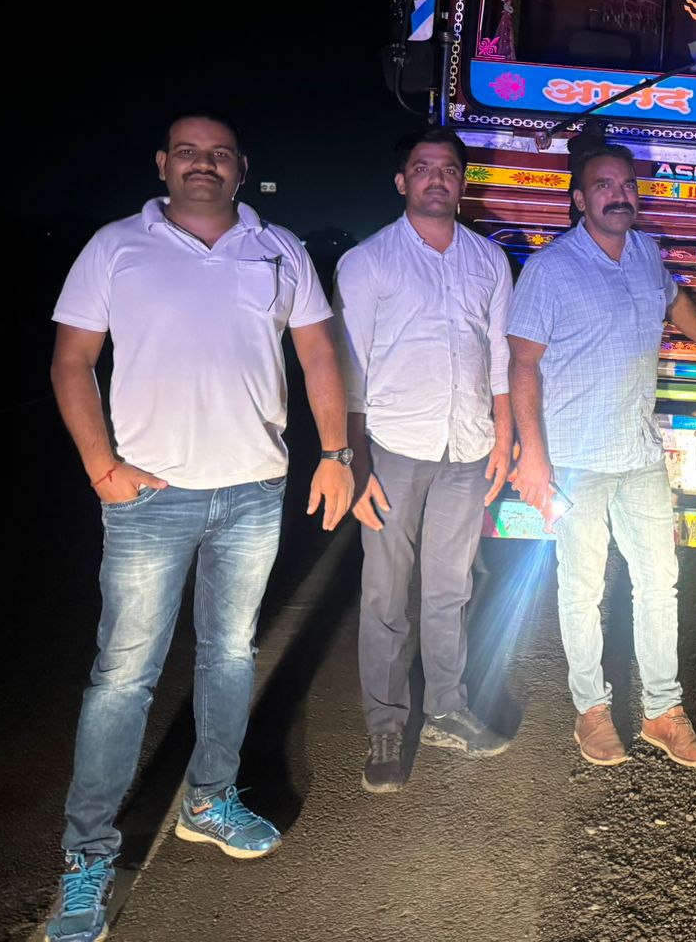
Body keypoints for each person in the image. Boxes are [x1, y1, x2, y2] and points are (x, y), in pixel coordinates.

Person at [45, 116, 354, 942]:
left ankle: (210, 800)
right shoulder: (116, 247)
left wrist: (335, 454)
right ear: (163, 164)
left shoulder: (280, 249)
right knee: (123, 677)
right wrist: (101, 467)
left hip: (252, 491)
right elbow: (72, 360)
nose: (203, 164)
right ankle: (87, 858)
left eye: (219, 154)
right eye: (188, 152)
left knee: (230, 655)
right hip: (150, 500)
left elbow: (319, 354)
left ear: (241, 167)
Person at [506, 141, 696, 767]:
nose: (618, 196)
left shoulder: (644, 252)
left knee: (658, 585)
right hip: (574, 458)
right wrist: (532, 455)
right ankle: (591, 711)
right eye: (603, 185)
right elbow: (523, 364)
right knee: (581, 589)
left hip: (639, 452)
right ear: (579, 198)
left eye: (627, 185)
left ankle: (662, 713)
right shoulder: (550, 269)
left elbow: (674, 302)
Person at [333, 128, 515, 793]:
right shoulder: (368, 261)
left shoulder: (490, 260)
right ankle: (385, 724)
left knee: (450, 588)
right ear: (402, 181)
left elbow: (499, 358)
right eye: (423, 168)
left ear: (462, 182)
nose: (437, 178)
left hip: (467, 449)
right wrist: (352, 462)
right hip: (393, 449)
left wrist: (504, 438)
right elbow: (350, 368)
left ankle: (445, 709)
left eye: (449, 169)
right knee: (385, 592)